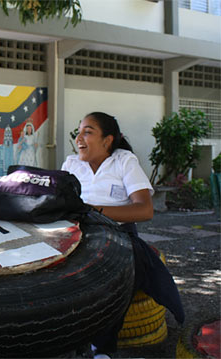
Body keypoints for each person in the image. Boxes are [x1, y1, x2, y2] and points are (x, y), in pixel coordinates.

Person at [62, 112, 184, 359]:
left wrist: (95, 211)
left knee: (113, 280)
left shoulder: (124, 161)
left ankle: (102, 349)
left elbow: (145, 209)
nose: (79, 138)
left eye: (88, 131)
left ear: (107, 140)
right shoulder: (71, 165)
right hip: (80, 233)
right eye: (78, 132)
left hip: (117, 234)